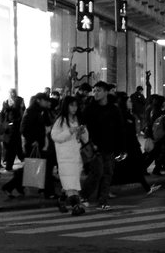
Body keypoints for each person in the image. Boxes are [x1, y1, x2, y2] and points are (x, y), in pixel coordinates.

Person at [80, 81, 126, 210]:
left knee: (108, 173)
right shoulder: (89, 109)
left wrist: (122, 148)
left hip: (109, 146)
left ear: (106, 92)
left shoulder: (113, 109)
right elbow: (83, 127)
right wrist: (89, 144)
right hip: (95, 147)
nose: (95, 93)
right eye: (94, 90)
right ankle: (84, 195)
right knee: (97, 172)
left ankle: (103, 201)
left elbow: (120, 128)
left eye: (99, 90)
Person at [51, 94, 89, 214]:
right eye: (72, 105)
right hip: (65, 156)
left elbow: (86, 139)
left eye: (76, 105)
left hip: (76, 155)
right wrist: (69, 131)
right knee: (70, 183)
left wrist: (82, 132)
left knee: (71, 181)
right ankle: (76, 206)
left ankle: (61, 200)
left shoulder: (78, 119)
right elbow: (55, 137)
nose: (74, 108)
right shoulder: (60, 121)